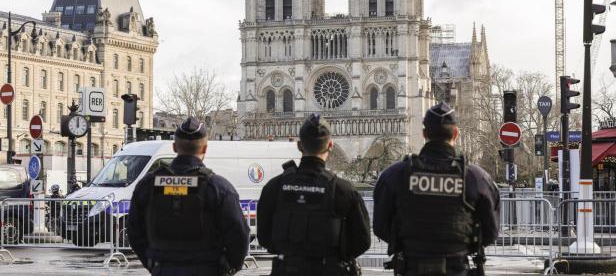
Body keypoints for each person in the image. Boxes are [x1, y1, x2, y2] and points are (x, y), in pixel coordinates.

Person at [373, 102, 500, 276]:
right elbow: (491, 231)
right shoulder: (476, 178)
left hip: (411, 267)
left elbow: (380, 226)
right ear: (455, 133)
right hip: (457, 268)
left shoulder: (394, 175)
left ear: (424, 133)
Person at [128, 117, 250, 276]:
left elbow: (135, 233)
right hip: (208, 268)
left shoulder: (148, 185)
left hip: (163, 269)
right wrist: (228, 267)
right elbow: (238, 235)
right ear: (204, 149)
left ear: (174, 147)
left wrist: (154, 264)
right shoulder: (218, 188)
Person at [257, 113, 371, 276]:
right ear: (330, 145)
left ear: (299, 145)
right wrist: (337, 256)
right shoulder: (343, 190)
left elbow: (264, 236)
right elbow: (362, 241)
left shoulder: (274, 187)